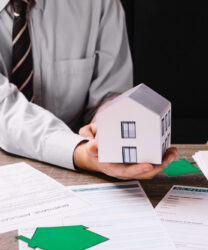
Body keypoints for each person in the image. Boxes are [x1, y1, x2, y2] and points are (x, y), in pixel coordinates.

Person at [0, 0, 176, 179]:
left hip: (81, 176)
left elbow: (110, 93)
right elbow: (4, 112)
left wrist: (105, 131)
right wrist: (81, 152)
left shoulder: (100, 4)